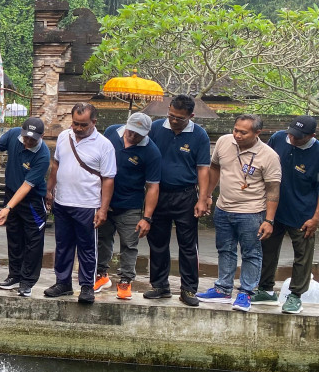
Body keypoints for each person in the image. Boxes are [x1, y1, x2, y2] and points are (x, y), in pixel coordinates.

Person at [197, 114, 281, 312]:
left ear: (257, 133)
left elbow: (273, 190)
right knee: (225, 249)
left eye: (243, 132)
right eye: (236, 129)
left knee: (251, 253)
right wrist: (208, 195)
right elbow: (215, 167)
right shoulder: (225, 142)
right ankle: (223, 289)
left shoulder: (268, 156)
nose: (237, 135)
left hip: (251, 212)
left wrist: (269, 220)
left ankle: (246, 293)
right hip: (223, 208)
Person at [45, 103, 116, 304]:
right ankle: (63, 282)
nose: (77, 128)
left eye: (83, 125)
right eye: (75, 123)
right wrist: (49, 190)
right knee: (63, 245)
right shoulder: (63, 137)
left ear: (94, 122)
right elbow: (56, 164)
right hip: (62, 201)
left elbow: (108, 179)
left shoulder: (104, 145)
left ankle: (87, 286)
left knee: (87, 248)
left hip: (87, 204)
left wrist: (103, 209)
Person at [145, 94, 212, 306]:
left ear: (190, 116)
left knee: (188, 245)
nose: (174, 121)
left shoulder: (199, 134)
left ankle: (189, 289)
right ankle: (160, 286)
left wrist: (202, 198)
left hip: (185, 195)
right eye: (171, 116)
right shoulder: (156, 128)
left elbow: (203, 169)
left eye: (179, 118)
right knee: (157, 242)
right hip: (158, 194)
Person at [256, 116, 319, 314]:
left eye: (298, 137)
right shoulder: (278, 138)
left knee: (302, 255)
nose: (292, 138)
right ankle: (265, 289)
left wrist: (316, 218)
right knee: (267, 248)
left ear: (311, 136)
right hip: (275, 208)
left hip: (303, 213)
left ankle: (295, 296)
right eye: (290, 133)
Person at [95, 113, 161, 300]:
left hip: (130, 203)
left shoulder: (151, 151)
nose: (132, 136)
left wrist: (146, 217)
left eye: (138, 134)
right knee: (102, 239)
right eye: (131, 131)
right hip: (104, 200)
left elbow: (153, 186)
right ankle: (101, 275)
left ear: (147, 133)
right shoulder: (110, 133)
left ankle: (125, 280)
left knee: (129, 244)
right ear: (126, 125)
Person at [0, 117, 50, 298]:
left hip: (31, 200)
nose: (28, 142)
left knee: (33, 241)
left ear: (41, 136)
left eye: (32, 139)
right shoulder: (14, 134)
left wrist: (7, 208)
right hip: (11, 193)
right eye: (26, 137)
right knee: (14, 237)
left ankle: (27, 281)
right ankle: (14, 275)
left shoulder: (43, 155)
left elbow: (26, 186)